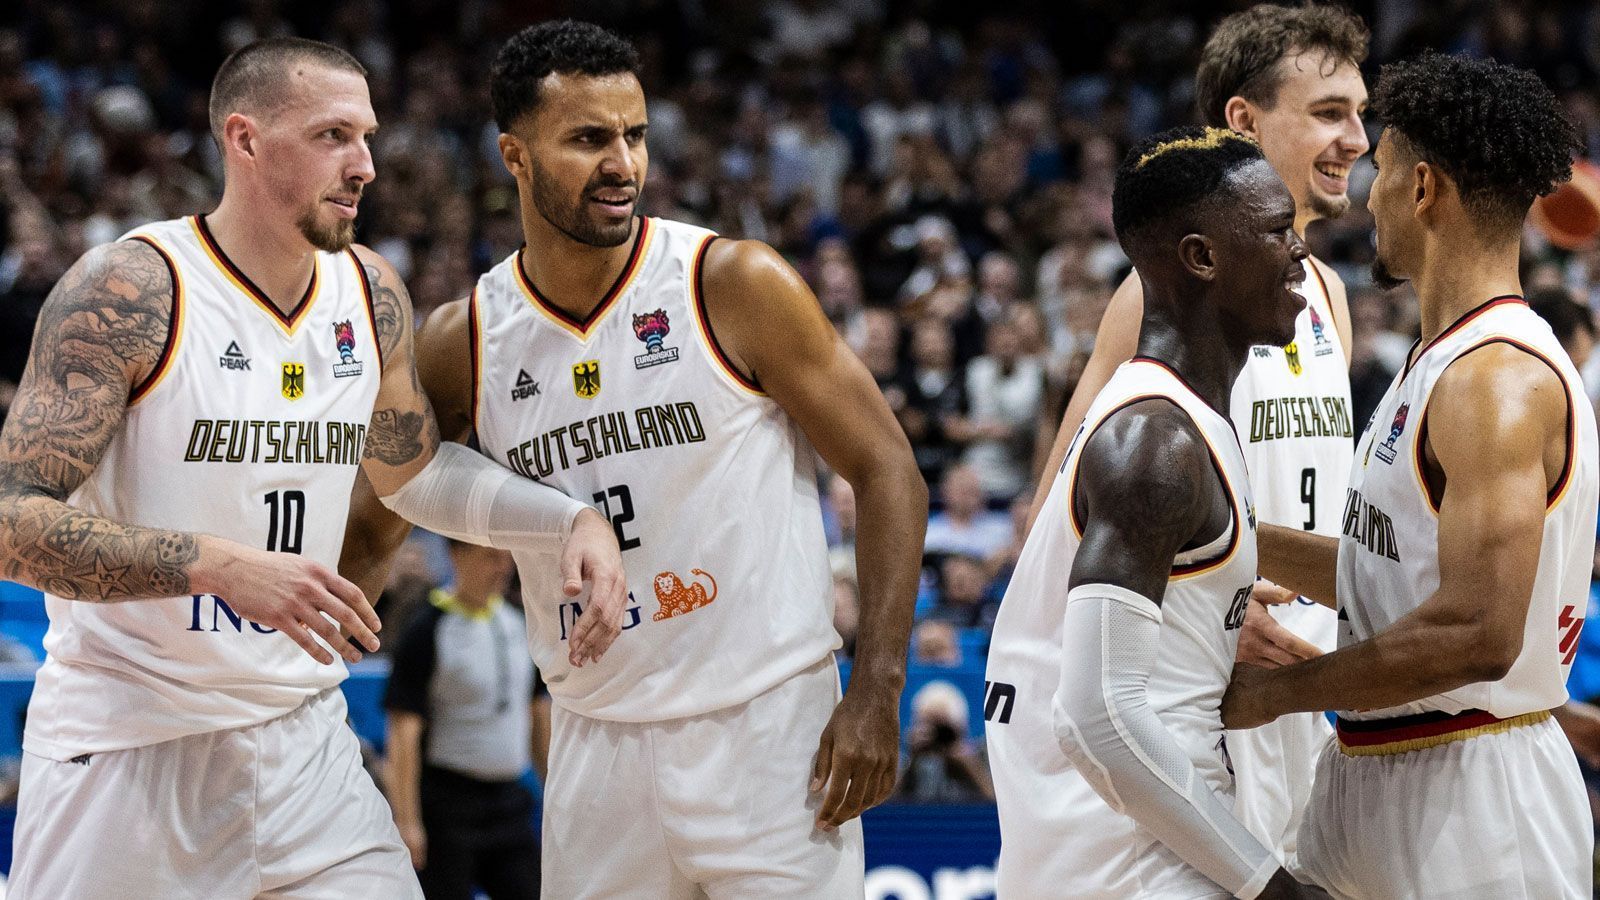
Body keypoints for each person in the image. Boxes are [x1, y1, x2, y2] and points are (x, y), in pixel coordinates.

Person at [0, 38, 623, 898]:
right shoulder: (132, 291)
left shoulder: (370, 291)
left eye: (366, 136)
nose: (365, 164)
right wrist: (216, 566)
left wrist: (566, 520)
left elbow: (413, 475)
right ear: (245, 140)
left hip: (306, 745)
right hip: (131, 747)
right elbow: (8, 520)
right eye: (333, 135)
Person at [340, 20, 928, 899]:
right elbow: (383, 510)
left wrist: (878, 688)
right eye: (587, 138)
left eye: (635, 135)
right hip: (595, 735)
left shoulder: (732, 283)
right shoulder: (463, 340)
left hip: (770, 730)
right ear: (516, 155)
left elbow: (888, 471)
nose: (622, 162)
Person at [1222, 52, 1597, 898]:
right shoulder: (1434, 364)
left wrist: (1281, 691)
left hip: (1476, 789)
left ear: (1424, 189)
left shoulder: (1495, 381)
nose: (1366, 192)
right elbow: (1389, 577)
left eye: (1382, 171)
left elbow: (1476, 631)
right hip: (1374, 765)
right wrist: (1232, 542)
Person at [1029, 2, 1371, 855]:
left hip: (1302, 690)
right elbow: (1062, 503)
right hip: (1200, 690)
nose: (1358, 140)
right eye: (1330, 113)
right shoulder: (1160, 297)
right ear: (1245, 122)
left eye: (1361, 115)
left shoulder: (1326, 294)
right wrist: (1201, 598)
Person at [986, 126, 1325, 899]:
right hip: (1129, 866)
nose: (1300, 250)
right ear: (1203, 258)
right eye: (1276, 230)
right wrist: (1272, 886)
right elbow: (1097, 713)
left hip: (1140, 849)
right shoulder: (1155, 443)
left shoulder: (1182, 418)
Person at [385, 540, 542, 900]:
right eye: (490, 556)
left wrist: (554, 787)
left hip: (510, 801)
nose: (502, 566)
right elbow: (403, 733)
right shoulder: (426, 628)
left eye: (506, 556)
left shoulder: (520, 623)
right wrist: (407, 821)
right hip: (447, 807)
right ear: (457, 555)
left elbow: (538, 712)